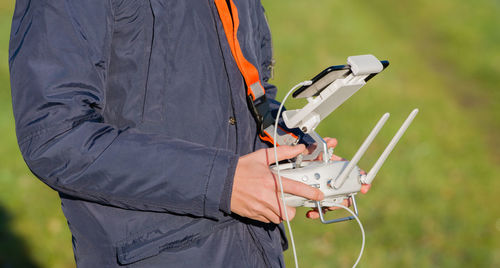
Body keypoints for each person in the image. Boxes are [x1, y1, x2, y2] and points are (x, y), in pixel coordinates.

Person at [9, 0, 370, 267]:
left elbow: (249, 89)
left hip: (253, 247)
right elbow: (54, 137)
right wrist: (222, 183)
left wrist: (295, 148)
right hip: (155, 254)